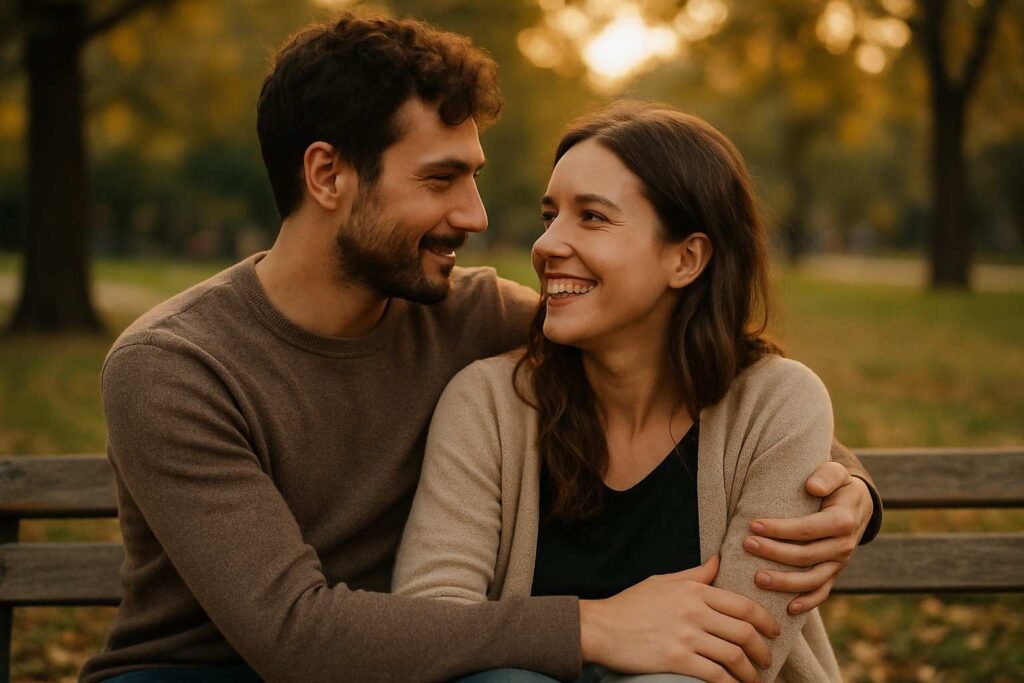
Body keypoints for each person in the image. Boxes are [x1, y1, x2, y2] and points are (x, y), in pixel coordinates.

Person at [81, 14, 880, 683]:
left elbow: (675, 367)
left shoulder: (472, 314)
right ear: (327, 175)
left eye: (474, 178)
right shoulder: (174, 366)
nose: (475, 215)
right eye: (441, 180)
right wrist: (592, 625)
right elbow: (293, 634)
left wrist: (847, 489)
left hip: (412, 666)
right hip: (202, 669)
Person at [393, 103, 856, 683]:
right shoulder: (488, 403)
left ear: (686, 258)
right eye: (549, 216)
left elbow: (739, 653)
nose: (547, 244)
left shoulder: (776, 405)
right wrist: (597, 629)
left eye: (592, 217)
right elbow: (432, 624)